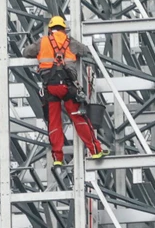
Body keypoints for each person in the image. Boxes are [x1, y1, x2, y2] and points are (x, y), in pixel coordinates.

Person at [22, 15, 108, 165]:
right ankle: (95, 150)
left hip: (50, 87)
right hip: (68, 88)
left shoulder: (42, 42)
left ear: (50, 29)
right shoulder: (71, 42)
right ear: (64, 29)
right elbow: (85, 51)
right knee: (79, 119)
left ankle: (58, 158)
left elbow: (26, 52)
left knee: (54, 123)